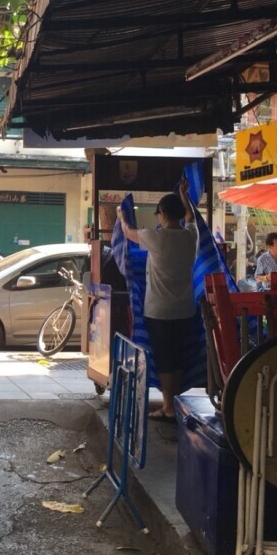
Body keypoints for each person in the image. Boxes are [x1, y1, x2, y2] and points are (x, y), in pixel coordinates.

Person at [117, 178, 197, 422]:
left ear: (161, 214)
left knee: (164, 359)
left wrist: (121, 215)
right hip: (185, 310)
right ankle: (174, 403)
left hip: (159, 311)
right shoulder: (190, 236)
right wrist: (184, 195)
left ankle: (168, 406)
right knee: (178, 358)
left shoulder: (155, 237)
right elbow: (192, 218)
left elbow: (128, 233)